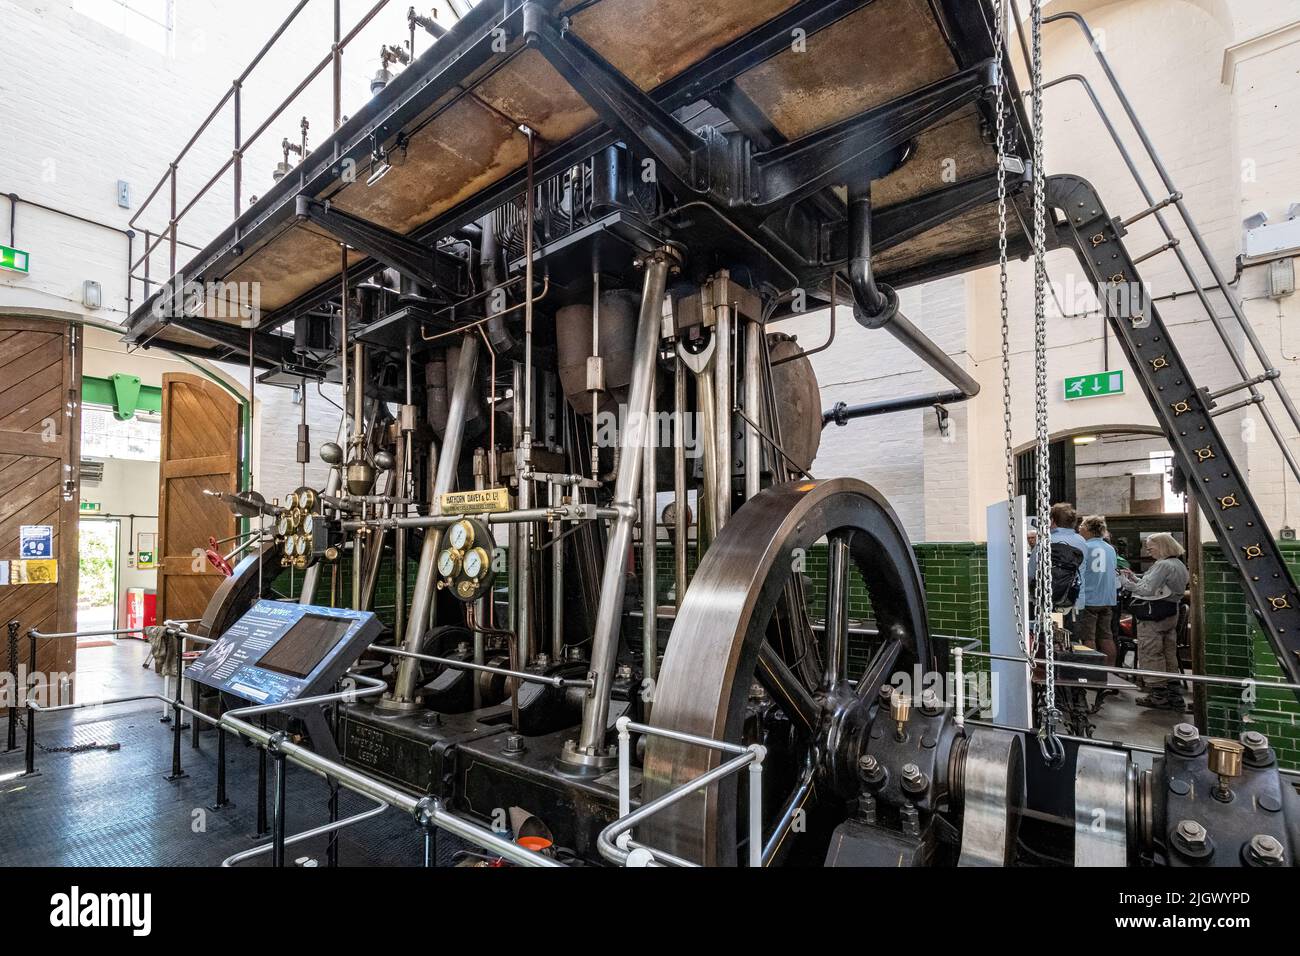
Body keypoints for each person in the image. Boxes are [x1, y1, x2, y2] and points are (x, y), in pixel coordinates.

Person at [1120, 532, 1190, 711]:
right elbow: (1158, 587)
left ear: (1162, 546)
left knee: (1151, 652)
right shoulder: (1178, 564)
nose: (1148, 550)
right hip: (1170, 613)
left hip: (1153, 616)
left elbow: (1146, 590)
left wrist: (1126, 582)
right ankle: (1175, 695)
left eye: (1151, 547)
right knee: (1169, 654)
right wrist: (1136, 578)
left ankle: (1158, 695)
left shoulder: (1163, 565)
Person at [1076, 515, 1118, 666]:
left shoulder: (1085, 547)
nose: (1079, 529)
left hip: (1089, 598)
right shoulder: (1110, 549)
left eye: (1081, 527)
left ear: (1088, 529)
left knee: (1088, 637)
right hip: (1107, 599)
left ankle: (1091, 671)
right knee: (1106, 636)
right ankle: (1110, 671)